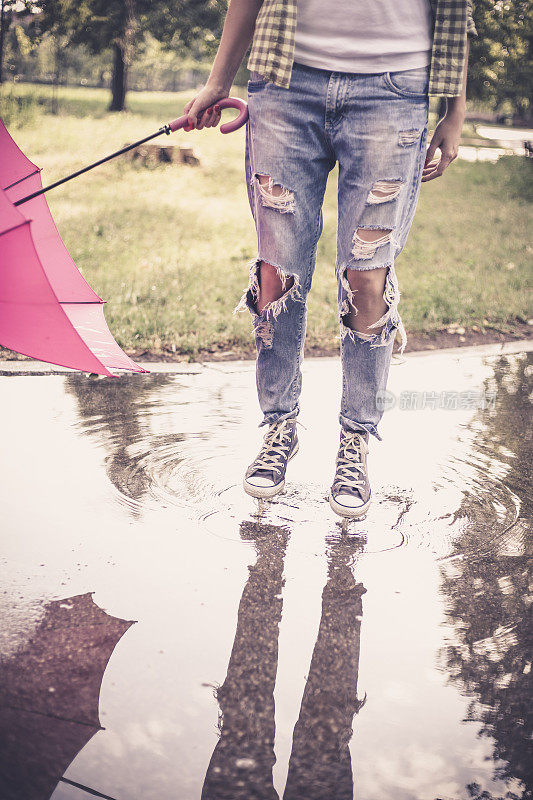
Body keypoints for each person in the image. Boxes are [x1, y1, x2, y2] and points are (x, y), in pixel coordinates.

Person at [184, 0, 477, 518]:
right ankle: (279, 427)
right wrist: (218, 78)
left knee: (368, 277)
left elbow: (457, 9)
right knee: (277, 272)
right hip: (285, 82)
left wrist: (455, 111)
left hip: (394, 90)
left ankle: (356, 441)